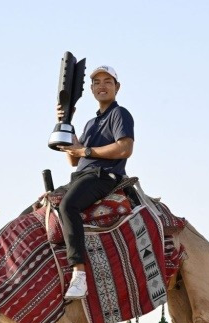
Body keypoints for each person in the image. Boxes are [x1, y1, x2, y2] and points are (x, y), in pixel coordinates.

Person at [56, 65, 135, 299]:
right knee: (37, 209)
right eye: (97, 82)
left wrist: (86, 151)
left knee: (68, 205)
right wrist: (64, 122)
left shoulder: (120, 114)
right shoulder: (91, 123)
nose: (102, 86)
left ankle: (79, 274)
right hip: (80, 176)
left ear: (117, 87)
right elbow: (73, 158)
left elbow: (125, 148)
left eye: (107, 81)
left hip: (104, 176)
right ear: (91, 89)